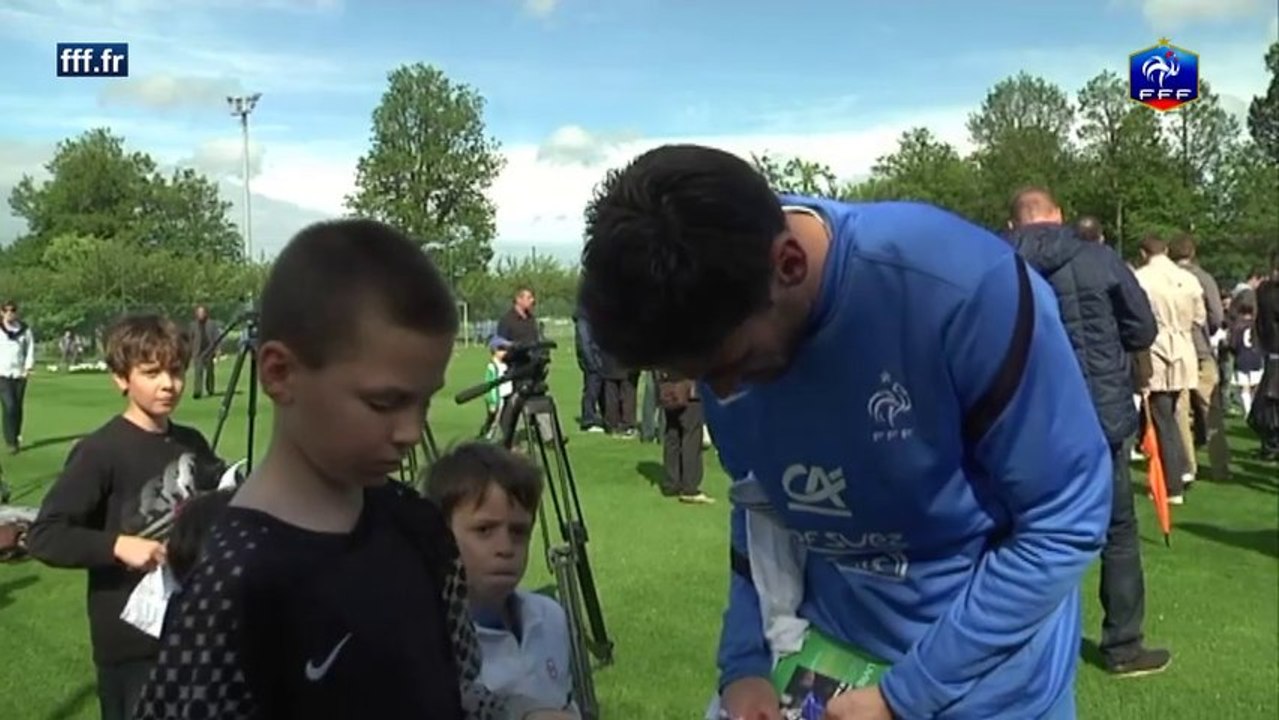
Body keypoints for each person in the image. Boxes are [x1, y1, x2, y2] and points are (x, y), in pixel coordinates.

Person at [577, 145, 1110, 719]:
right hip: (828, 670)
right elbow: (759, 508)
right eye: (702, 376)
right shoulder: (711, 310)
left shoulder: (960, 290)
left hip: (986, 691)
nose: (724, 394)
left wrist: (903, 697)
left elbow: (1063, 523)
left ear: (789, 265)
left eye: (734, 363)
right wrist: (746, 664)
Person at [133, 219, 505, 720]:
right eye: (385, 402)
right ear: (280, 373)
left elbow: (460, 688)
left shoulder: (418, 525)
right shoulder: (232, 579)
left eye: (424, 401)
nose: (412, 431)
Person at [1006, 191, 1170, 676]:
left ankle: (1019, 647)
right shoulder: (1099, 258)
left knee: (1023, 533)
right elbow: (1142, 329)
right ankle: (1122, 645)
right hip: (1098, 415)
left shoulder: (993, 264)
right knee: (1118, 531)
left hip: (1027, 421)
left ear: (1013, 222)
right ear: (1057, 216)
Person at [26, 313, 218, 720]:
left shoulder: (192, 442)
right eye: (151, 372)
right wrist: (116, 545)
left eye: (177, 371)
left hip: (193, 628)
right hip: (130, 643)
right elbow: (46, 535)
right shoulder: (100, 451)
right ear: (121, 378)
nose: (169, 384)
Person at [426, 442, 579, 718]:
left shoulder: (549, 617)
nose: (505, 547)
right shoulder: (428, 638)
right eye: (484, 530)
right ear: (441, 535)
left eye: (519, 532)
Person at [1134, 235, 1205, 503]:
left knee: (1162, 417)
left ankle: (1172, 482)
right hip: (1183, 346)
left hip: (1156, 347)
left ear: (1143, 253)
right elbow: (1199, 317)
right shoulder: (1188, 279)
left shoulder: (1141, 278)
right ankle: (1179, 471)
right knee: (1173, 413)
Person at [1169, 234, 1229, 480]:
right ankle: (1220, 466)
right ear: (1192, 253)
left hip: (1177, 350)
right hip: (1201, 348)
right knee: (1211, 409)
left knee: (1180, 410)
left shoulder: (1168, 279)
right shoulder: (1204, 278)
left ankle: (1186, 466)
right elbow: (1216, 316)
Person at [656, 370, 710, 503]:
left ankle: (672, 483)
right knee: (691, 436)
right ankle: (690, 487)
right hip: (688, 388)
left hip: (669, 386)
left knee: (672, 434)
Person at [1248, 253, 1279, 460]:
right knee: (1269, 402)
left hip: (1273, 349)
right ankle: (1271, 444)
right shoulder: (1266, 292)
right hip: (1273, 349)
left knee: (1269, 402)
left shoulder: (1266, 291)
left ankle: (1271, 444)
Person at [0, 300, 35, 454]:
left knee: (18, 408)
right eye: (7, 310)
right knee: (9, 406)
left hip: (19, 373)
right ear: (2, 312)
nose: (10, 313)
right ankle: (10, 441)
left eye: (13, 310)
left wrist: (28, 367)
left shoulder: (24, 330)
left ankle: (16, 435)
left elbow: (30, 349)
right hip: (2, 373)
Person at [573, 307, 606, 433]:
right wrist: (592, 361)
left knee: (596, 388)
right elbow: (585, 342)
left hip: (594, 357)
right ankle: (588, 420)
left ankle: (596, 416)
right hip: (592, 359)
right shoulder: (584, 320)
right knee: (591, 389)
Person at [481, 336, 515, 440]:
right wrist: (492, 402)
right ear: (495, 350)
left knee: (507, 420)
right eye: (502, 349)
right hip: (497, 399)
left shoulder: (507, 364)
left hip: (508, 397)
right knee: (494, 421)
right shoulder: (492, 367)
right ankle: (487, 437)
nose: (506, 352)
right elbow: (489, 386)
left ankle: (505, 438)